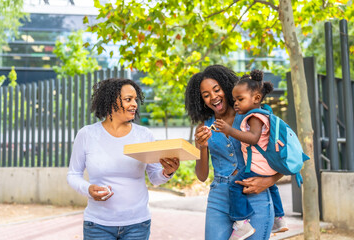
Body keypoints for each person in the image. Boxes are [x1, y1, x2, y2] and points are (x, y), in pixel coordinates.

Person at [67, 78, 180, 240]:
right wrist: (88, 189)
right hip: (98, 225)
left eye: (135, 99)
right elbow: (73, 174)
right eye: (128, 99)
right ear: (111, 102)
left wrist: (167, 172)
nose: (134, 104)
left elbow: (155, 177)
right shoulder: (87, 134)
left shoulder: (144, 135)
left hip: (137, 225)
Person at [185, 65, 283, 240]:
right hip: (219, 199)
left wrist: (268, 181)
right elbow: (201, 175)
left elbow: (284, 156)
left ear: (227, 87)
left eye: (217, 90)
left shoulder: (254, 117)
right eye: (206, 95)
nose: (213, 97)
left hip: (255, 195)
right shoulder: (204, 127)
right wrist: (202, 146)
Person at [214, 69, 288, 239]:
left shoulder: (254, 116)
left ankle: (242, 223)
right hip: (268, 166)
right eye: (234, 100)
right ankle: (279, 218)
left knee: (234, 186)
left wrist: (229, 130)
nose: (236, 104)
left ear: (256, 98)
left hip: (256, 166)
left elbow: (253, 138)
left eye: (240, 99)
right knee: (273, 187)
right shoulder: (265, 114)